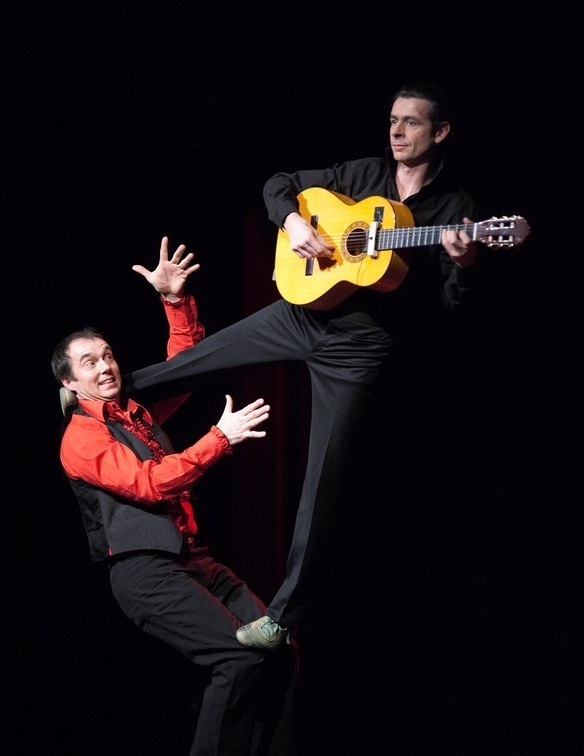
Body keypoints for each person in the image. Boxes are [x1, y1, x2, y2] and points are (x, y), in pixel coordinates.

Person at [123, 82, 484, 651]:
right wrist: (294, 223)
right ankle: (104, 400)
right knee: (197, 361)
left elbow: (450, 309)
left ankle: (281, 618)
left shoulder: (454, 210)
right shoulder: (363, 173)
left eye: (411, 123)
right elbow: (279, 185)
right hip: (301, 311)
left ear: (440, 133)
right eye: (393, 120)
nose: (396, 131)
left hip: (359, 349)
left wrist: (462, 263)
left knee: (322, 482)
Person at [52, 237, 297, 756]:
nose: (106, 366)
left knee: (277, 650)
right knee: (237, 657)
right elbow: (148, 483)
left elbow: (188, 368)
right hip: (145, 572)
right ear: (71, 382)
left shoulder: (134, 411)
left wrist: (174, 301)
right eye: (90, 362)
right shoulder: (81, 438)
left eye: (108, 355)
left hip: (193, 560)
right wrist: (219, 439)